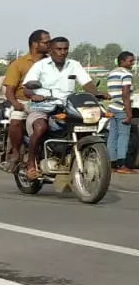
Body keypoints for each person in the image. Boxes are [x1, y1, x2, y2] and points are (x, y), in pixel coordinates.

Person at [21, 37, 99, 180]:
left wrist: (97, 94)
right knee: (40, 128)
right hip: (42, 106)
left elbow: (87, 83)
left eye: (65, 49)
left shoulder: (74, 65)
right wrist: (33, 95)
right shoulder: (40, 66)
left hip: (67, 107)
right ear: (50, 50)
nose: (62, 52)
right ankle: (31, 165)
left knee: (85, 126)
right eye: (59, 49)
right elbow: (26, 88)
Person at [0, 29, 52, 171]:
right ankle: (15, 153)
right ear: (35, 44)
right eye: (46, 42)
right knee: (15, 121)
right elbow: (10, 90)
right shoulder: (18, 64)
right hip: (24, 102)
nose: (49, 45)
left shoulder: (52, 63)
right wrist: (16, 104)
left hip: (49, 102)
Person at [106, 51, 134, 174]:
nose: (132, 63)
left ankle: (111, 164)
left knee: (112, 136)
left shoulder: (112, 73)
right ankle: (121, 164)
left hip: (112, 108)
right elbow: (125, 94)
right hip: (122, 108)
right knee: (123, 136)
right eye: (130, 61)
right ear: (122, 61)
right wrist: (129, 113)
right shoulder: (126, 74)